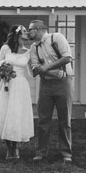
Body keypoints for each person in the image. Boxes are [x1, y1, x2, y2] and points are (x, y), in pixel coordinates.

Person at [0, 25, 34, 159]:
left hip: (20, 86)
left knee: (16, 115)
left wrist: (40, 66)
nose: (27, 34)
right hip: (5, 85)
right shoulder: (5, 48)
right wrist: (3, 73)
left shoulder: (28, 51)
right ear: (18, 34)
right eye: (25, 32)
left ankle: (16, 147)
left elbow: (32, 73)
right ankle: (9, 148)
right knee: (5, 114)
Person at [28, 19, 74, 163]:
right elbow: (35, 69)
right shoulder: (33, 47)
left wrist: (47, 68)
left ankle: (66, 153)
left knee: (64, 120)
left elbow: (67, 57)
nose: (29, 32)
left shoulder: (57, 38)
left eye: (31, 29)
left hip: (63, 83)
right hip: (45, 85)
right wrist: (53, 72)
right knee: (43, 120)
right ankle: (41, 152)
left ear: (40, 29)